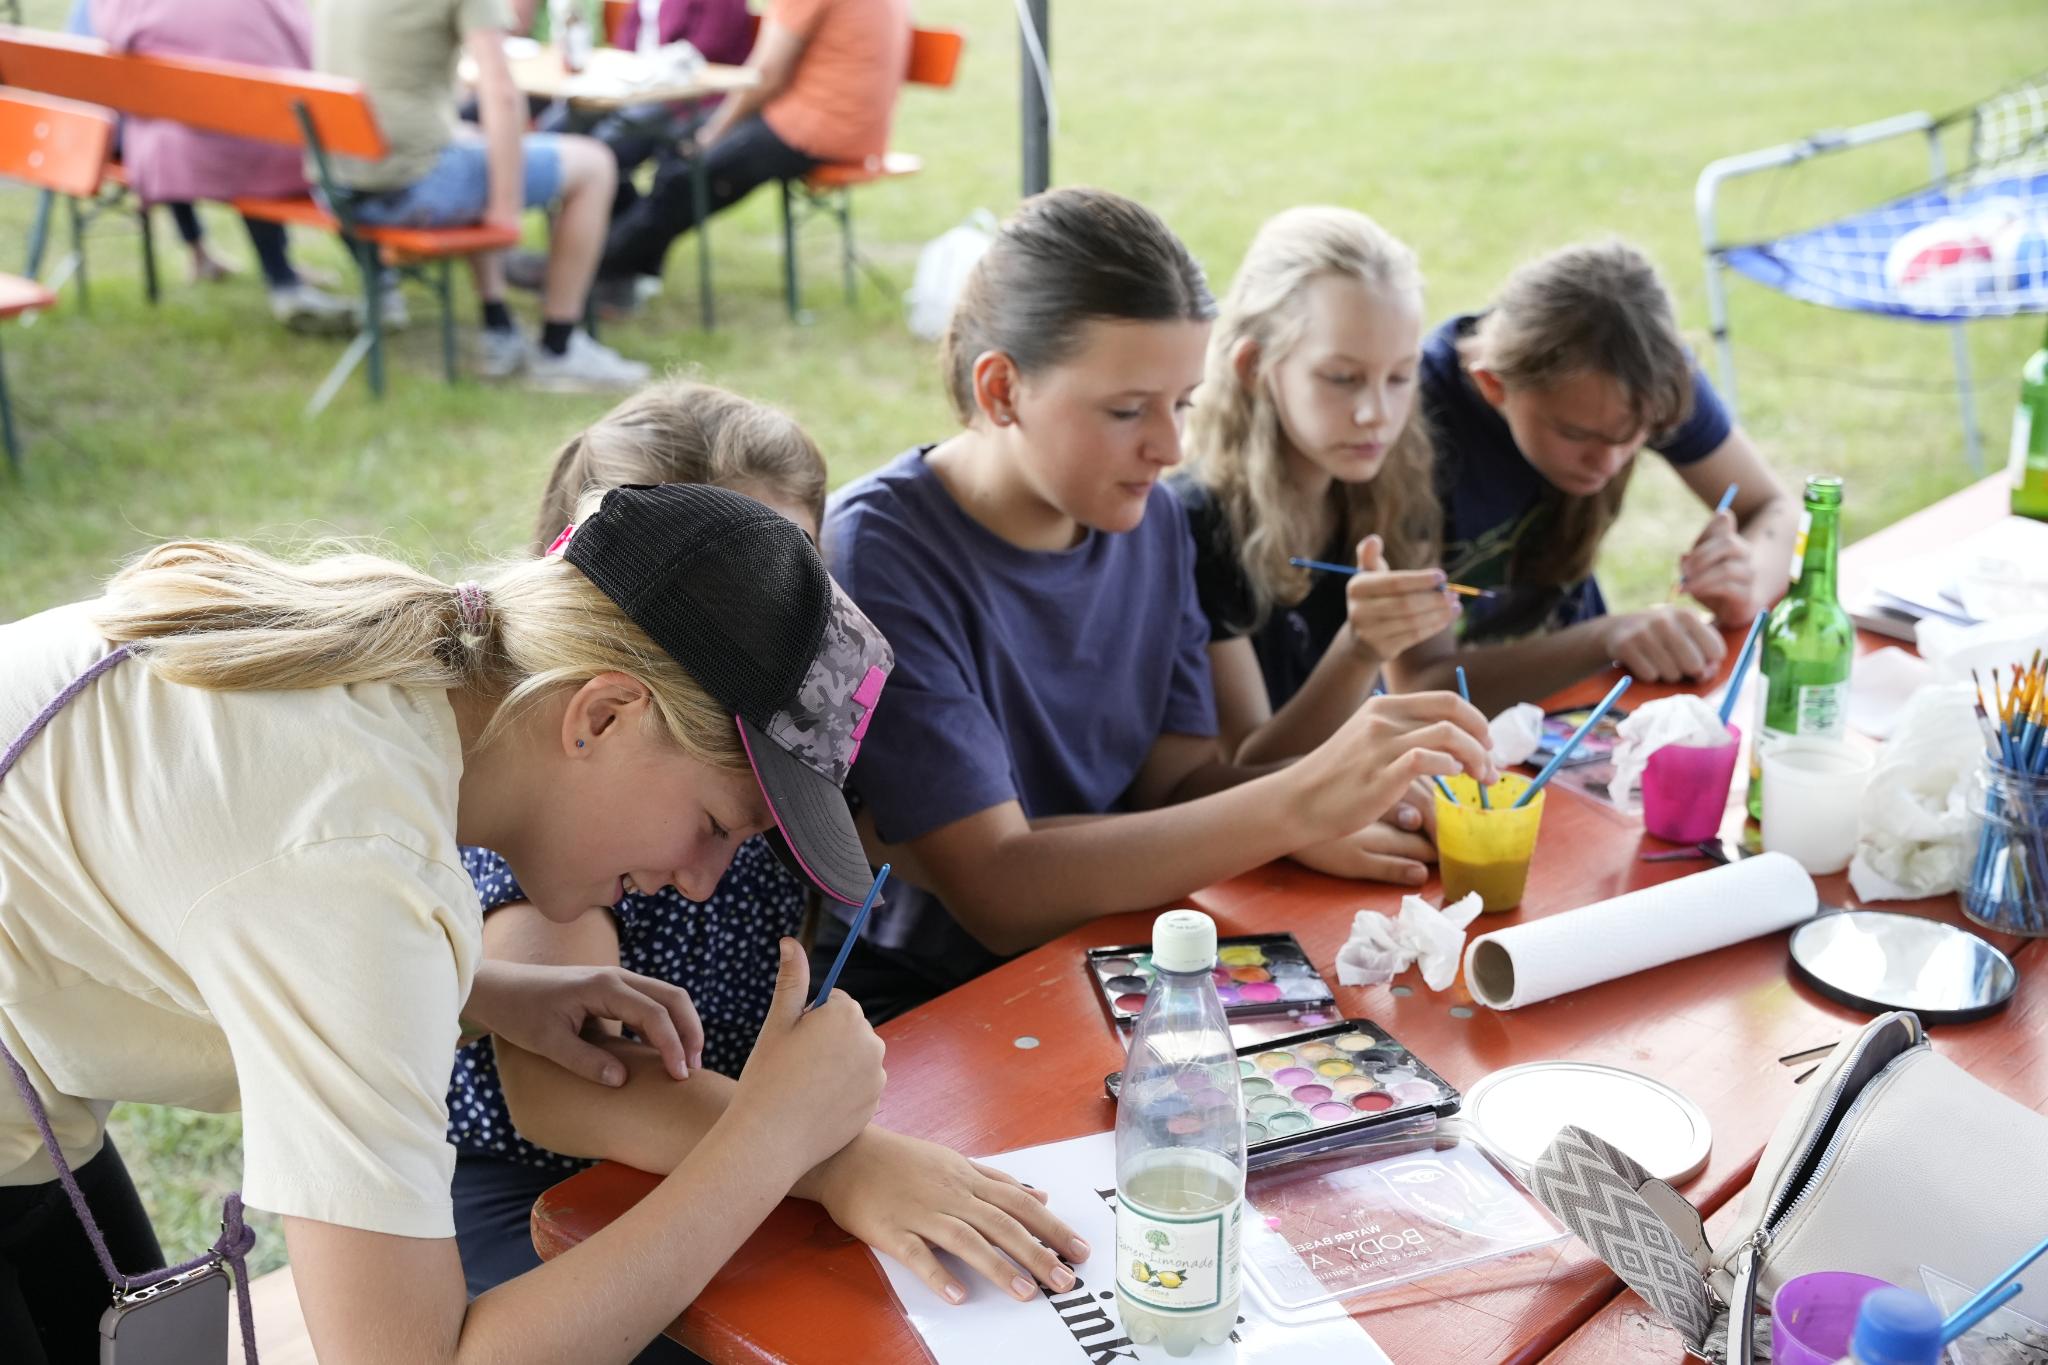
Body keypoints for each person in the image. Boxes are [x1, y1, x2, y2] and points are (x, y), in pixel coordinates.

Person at [0, 483, 895, 1363]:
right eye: (715, 826)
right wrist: (766, 1141)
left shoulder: (395, 696)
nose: (701, 883)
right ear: (602, 715)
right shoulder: (355, 861)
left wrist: (478, 990)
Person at [447, 383, 1085, 1336]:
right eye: (732, 588)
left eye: (792, 581)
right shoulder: (561, 821)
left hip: (745, 1158)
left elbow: (973, 851)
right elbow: (566, 1086)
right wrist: (835, 1158)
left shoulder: (772, 755)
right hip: (553, 1199)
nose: (766, 628)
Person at [822, 188, 1500, 1021]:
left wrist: (1350, 791)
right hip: (940, 1001)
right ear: (1000, 390)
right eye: (1126, 409)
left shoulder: (1154, 519)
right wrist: (1296, 804)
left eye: (1182, 402)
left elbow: (1176, 785)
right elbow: (998, 890)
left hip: (1136, 952)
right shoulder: (880, 550)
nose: (1172, 447)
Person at [1389, 239, 1798, 709]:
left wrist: (1749, 582)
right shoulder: (1411, 427)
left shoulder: (1645, 377)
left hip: (1582, 702)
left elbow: (1775, 508)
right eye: (1575, 434)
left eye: (1634, 436)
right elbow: (1419, 685)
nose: (1607, 463)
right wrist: (1605, 639)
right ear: (1493, 385)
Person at [1175, 208, 1459, 836]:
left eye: (1400, 377)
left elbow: (1431, 676)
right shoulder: (1198, 522)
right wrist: (1360, 651)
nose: (1375, 413)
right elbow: (1247, 767)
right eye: (1342, 378)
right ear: (1254, 367)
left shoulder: (1390, 481)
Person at [311, 0, 650, 389]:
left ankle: (498, 322)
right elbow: (500, 93)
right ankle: (559, 347)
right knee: (594, 164)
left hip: (336, 184)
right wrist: (505, 210)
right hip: (405, 190)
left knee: (479, 148)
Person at [591, 0, 910, 311]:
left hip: (813, 127)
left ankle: (593, 267)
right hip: (859, 127)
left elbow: (765, 76)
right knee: (678, 152)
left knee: (684, 176)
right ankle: (622, 271)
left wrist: (713, 133)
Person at [78, 0, 356, 331]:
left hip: (157, 149)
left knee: (173, 122)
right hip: (254, 150)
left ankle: (201, 252)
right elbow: (311, 55)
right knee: (259, 132)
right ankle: (296, 280)